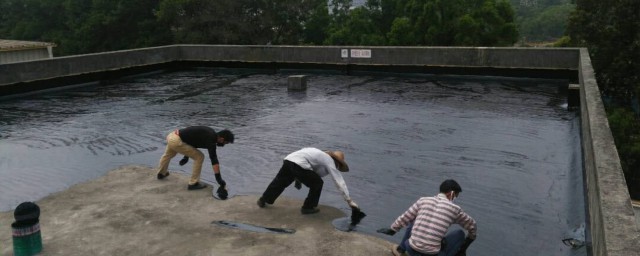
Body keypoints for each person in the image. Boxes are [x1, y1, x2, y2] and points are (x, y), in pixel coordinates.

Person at [377, 179, 477, 256]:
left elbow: (405, 216)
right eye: (456, 195)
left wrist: (393, 229)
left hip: (412, 250)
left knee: (414, 218)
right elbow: (472, 225)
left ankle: (401, 249)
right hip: (431, 254)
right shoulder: (455, 209)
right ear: (450, 193)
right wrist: (466, 244)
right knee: (459, 233)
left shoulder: (423, 200)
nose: (455, 199)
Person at [257, 147, 361, 215]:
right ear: (336, 161)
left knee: (280, 182)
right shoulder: (328, 160)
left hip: (289, 159)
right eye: (338, 165)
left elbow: (309, 171)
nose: (336, 167)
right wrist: (349, 200)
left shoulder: (319, 155)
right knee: (318, 183)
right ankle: (308, 207)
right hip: (299, 163)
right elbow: (339, 181)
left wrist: (298, 179)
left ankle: (264, 199)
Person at [156, 126, 234, 193]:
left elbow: (192, 141)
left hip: (172, 136)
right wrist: (219, 180)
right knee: (199, 157)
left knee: (168, 155)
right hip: (177, 140)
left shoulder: (210, 133)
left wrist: (185, 157)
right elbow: (214, 160)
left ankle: (161, 173)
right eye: (225, 143)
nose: (224, 145)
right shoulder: (211, 140)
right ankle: (193, 183)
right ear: (221, 139)